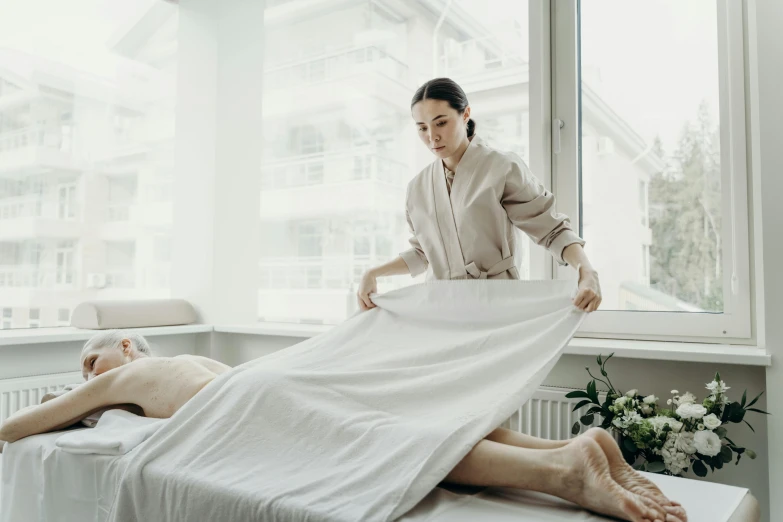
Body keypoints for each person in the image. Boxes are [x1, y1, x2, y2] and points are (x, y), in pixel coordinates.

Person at [0, 330, 685, 521]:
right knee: (399, 425)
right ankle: (569, 446)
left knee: (380, 448)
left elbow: (16, 428)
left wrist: (82, 395)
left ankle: (561, 474)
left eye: (90, 361)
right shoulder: (191, 361)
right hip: (267, 380)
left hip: (251, 402)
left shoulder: (126, 375)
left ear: (126, 348)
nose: (89, 377)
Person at [357, 77, 602, 314]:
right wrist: (374, 273)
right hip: (439, 310)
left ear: (465, 114)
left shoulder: (501, 167)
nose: (432, 137)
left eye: (441, 122)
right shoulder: (417, 187)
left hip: (496, 305)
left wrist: (586, 271)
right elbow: (423, 254)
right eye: (422, 127)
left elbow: (551, 229)